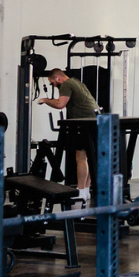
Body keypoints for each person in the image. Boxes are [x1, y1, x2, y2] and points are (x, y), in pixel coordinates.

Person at [41, 68, 99, 198]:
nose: (53, 86)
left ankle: (80, 190)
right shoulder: (77, 82)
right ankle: (85, 191)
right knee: (89, 155)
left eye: (52, 83)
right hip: (95, 120)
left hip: (85, 123)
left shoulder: (66, 84)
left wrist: (45, 100)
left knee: (81, 156)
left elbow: (60, 104)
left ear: (57, 78)